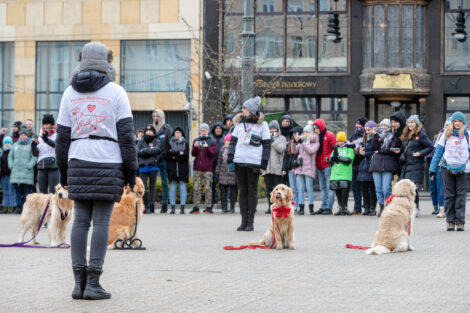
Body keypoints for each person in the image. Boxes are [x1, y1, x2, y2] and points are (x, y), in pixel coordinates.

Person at [56, 41, 137, 300]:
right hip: (108, 160)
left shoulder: (69, 92)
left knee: (80, 221)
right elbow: (126, 137)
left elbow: (62, 137)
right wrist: (130, 173)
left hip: (78, 159)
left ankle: (77, 283)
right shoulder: (116, 92)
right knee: (101, 222)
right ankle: (93, 283)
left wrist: (63, 172)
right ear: (108, 61)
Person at [228, 96, 270, 231]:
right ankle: (243, 221)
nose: (242, 110)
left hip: (254, 162)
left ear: (251, 110)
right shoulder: (239, 124)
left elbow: (267, 145)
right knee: (242, 192)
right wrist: (230, 158)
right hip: (240, 161)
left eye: (244, 108)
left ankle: (250, 222)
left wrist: (264, 164)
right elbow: (233, 142)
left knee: (252, 191)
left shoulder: (262, 125)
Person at [430, 112, 469, 232]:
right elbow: (438, 153)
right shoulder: (445, 135)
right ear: (452, 123)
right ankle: (450, 221)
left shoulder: (468, 136)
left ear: (463, 123)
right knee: (449, 195)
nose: (457, 123)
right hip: (447, 168)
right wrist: (432, 168)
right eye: (455, 121)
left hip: (464, 169)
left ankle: (460, 222)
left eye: (459, 121)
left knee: (461, 196)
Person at [369, 111, 406, 217]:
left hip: (388, 165)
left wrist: (380, 151)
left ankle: (388, 205)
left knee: (386, 188)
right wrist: (375, 135)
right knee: (378, 188)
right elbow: (374, 147)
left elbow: (391, 149)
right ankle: (381, 207)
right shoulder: (378, 135)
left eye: (386, 125)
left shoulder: (394, 136)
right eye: (382, 125)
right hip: (376, 164)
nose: (384, 127)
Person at [399, 115, 433, 217]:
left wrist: (420, 153)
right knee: (406, 189)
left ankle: (416, 208)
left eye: (412, 122)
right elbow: (403, 148)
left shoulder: (421, 134)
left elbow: (430, 146)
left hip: (416, 165)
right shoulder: (406, 133)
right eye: (409, 122)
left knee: (413, 189)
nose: (410, 124)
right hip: (406, 165)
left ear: (417, 123)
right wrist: (399, 152)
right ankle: (408, 208)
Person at [292, 124, 319, 215]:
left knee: (309, 189)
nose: (304, 133)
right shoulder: (301, 141)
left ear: (311, 133)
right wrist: (294, 141)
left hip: (309, 169)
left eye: (307, 132)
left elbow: (311, 151)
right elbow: (294, 151)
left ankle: (311, 208)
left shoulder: (315, 142)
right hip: (299, 168)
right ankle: (301, 208)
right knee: (300, 189)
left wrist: (301, 141)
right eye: (304, 132)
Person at [8, 127, 37, 214]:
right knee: (17, 192)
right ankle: (18, 207)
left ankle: (26, 208)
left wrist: (29, 166)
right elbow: (10, 157)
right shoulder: (14, 146)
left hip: (27, 173)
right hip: (15, 173)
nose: (22, 136)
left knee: (27, 193)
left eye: (24, 135)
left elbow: (34, 157)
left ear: (27, 136)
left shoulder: (31, 145)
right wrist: (11, 166)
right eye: (21, 135)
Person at [191, 123, 217, 214]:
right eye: (201, 130)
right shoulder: (196, 140)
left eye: (205, 130)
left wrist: (207, 147)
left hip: (208, 168)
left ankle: (209, 207)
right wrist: (195, 146)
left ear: (207, 131)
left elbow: (213, 154)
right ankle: (196, 207)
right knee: (196, 188)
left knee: (208, 188)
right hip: (197, 168)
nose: (203, 131)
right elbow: (193, 154)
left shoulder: (212, 140)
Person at [312, 118, 336, 215]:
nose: (315, 130)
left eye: (317, 128)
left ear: (321, 127)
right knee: (322, 187)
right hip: (319, 165)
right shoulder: (317, 137)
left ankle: (329, 207)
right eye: (314, 129)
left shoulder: (330, 135)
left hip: (328, 165)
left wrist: (328, 157)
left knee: (329, 187)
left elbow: (335, 149)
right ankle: (323, 206)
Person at [428, 118, 451, 218]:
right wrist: (432, 168)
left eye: (450, 126)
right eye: (446, 125)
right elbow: (436, 153)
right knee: (440, 187)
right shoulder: (441, 137)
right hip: (441, 165)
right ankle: (442, 209)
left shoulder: (460, 137)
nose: (448, 128)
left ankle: (452, 209)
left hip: (455, 165)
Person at [263, 120, 286, 214]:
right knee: (269, 189)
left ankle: (278, 206)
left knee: (277, 189)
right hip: (267, 168)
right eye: (270, 129)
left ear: (277, 129)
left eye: (274, 128)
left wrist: (273, 142)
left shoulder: (282, 138)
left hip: (277, 168)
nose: (272, 130)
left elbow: (281, 149)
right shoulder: (265, 138)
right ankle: (270, 206)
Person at [329, 132, 355, 216]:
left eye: (341, 141)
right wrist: (334, 157)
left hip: (345, 174)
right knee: (338, 192)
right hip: (335, 174)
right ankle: (340, 208)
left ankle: (345, 207)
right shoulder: (335, 149)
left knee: (345, 192)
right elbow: (331, 161)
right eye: (338, 141)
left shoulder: (349, 149)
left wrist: (338, 158)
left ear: (344, 141)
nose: (339, 142)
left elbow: (348, 160)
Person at [152, 109, 173, 213]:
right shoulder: (150, 128)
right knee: (152, 183)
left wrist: (163, 155)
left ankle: (164, 205)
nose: (156, 118)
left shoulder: (167, 129)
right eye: (154, 116)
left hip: (163, 159)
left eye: (157, 116)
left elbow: (170, 145)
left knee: (164, 182)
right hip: (152, 159)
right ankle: (151, 205)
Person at [137, 125, 161, 214]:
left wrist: (144, 150)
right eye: (147, 130)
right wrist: (149, 149)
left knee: (152, 187)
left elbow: (157, 151)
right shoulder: (141, 142)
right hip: (143, 167)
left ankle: (151, 206)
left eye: (151, 130)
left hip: (153, 166)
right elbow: (138, 152)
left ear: (154, 132)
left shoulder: (157, 141)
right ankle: (145, 205)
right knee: (143, 188)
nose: (148, 132)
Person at [35, 114, 60, 194]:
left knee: (53, 193)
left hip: (54, 167)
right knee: (42, 193)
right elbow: (35, 153)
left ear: (53, 125)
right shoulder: (39, 136)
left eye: (48, 124)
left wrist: (45, 139)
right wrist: (33, 145)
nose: (46, 126)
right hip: (41, 167)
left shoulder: (57, 134)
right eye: (45, 124)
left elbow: (56, 145)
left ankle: (52, 207)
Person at [167, 127, 189, 214]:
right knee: (172, 188)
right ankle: (172, 208)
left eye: (179, 133)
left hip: (182, 169)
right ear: (174, 134)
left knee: (183, 187)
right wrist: (179, 153)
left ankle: (182, 208)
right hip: (172, 169)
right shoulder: (169, 143)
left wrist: (174, 154)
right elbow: (167, 154)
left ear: (182, 134)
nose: (178, 134)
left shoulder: (185, 143)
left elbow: (186, 155)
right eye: (176, 133)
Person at [358, 121, 378, 216]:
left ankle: (372, 207)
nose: (367, 132)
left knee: (372, 189)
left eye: (369, 130)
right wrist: (360, 151)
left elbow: (376, 152)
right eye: (366, 130)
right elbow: (363, 152)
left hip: (372, 165)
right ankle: (365, 206)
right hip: (364, 166)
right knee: (364, 189)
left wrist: (365, 153)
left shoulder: (376, 138)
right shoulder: (365, 139)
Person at [215, 133, 237, 214]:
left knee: (232, 193)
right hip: (223, 174)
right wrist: (217, 172)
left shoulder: (236, 149)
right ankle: (224, 207)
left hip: (233, 174)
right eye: (226, 141)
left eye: (229, 141)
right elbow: (219, 162)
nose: (227, 143)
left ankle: (232, 207)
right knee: (223, 192)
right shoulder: (222, 149)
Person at [349, 117, 367, 214]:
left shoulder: (366, 135)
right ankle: (357, 207)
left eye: (359, 125)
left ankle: (367, 207)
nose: (357, 126)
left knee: (364, 187)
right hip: (354, 164)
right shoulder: (353, 136)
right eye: (356, 124)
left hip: (363, 163)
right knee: (355, 187)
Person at [211, 122, 225, 209]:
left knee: (223, 186)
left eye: (220, 129)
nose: (218, 130)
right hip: (211, 165)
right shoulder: (211, 139)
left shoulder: (224, 139)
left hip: (222, 166)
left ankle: (224, 205)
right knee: (211, 185)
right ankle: (211, 204)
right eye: (217, 128)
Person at [0, 136, 16, 214]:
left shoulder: (12, 151)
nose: (7, 144)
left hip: (11, 174)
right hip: (3, 175)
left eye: (8, 143)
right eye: (5, 143)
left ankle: (12, 206)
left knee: (11, 191)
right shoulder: (1, 152)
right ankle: (5, 205)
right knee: (5, 191)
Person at [280, 115, 294, 185]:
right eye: (283, 121)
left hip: (289, 163)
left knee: (290, 185)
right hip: (279, 163)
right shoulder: (278, 133)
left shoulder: (292, 134)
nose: (284, 123)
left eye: (286, 121)